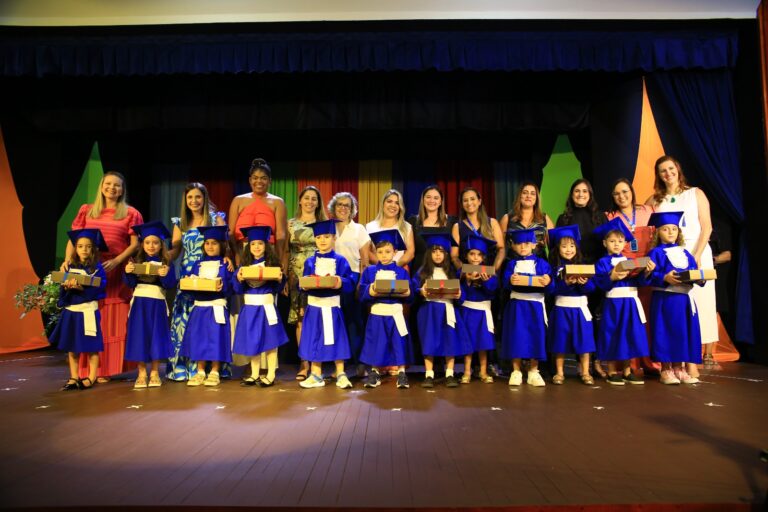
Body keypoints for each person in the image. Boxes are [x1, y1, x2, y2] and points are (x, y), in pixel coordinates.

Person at [65, 171, 144, 383]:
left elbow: (136, 244)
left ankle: (107, 370)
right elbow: (74, 239)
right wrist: (68, 263)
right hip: (89, 269)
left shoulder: (130, 213)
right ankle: (89, 369)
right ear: (101, 186)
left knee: (112, 321)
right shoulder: (87, 210)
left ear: (122, 190)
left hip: (115, 270)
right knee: (90, 317)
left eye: (117, 185)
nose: (112, 188)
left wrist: (118, 261)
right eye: (108, 184)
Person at [646, 156, 717, 377]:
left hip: (696, 254)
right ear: (658, 175)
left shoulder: (695, 193)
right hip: (668, 258)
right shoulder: (655, 200)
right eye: (662, 171)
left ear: (678, 169)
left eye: (670, 168)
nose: (667, 173)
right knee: (675, 308)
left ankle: (692, 360)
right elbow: (647, 230)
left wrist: (694, 257)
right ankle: (675, 363)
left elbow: (707, 227)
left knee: (699, 307)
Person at [168, 182, 227, 381]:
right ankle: (187, 367)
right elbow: (175, 250)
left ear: (205, 198)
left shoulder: (216, 218)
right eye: (190, 197)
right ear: (185, 200)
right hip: (189, 275)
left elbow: (225, 244)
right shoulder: (180, 223)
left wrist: (228, 259)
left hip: (211, 273)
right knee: (185, 322)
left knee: (209, 322)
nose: (194, 201)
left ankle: (212, 368)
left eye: (198, 197)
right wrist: (161, 257)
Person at [593, 218, 655, 386]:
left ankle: (627, 371)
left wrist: (646, 273)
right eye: (612, 241)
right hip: (613, 303)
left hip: (630, 302)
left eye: (620, 241)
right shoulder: (602, 262)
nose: (616, 244)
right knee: (613, 334)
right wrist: (611, 277)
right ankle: (612, 370)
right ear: (605, 243)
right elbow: (599, 283)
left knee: (630, 335)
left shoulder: (630, 260)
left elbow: (640, 282)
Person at [297, 219, 355, 389]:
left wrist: (340, 281)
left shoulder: (340, 260)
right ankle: (315, 374)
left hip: (332, 306)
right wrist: (304, 283)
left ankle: (341, 373)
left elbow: (350, 281)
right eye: (319, 237)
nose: (322, 240)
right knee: (314, 338)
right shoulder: (309, 262)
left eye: (327, 236)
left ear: (334, 238)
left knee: (336, 338)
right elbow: (302, 284)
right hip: (314, 307)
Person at [646, 211, 703, 385]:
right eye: (665, 229)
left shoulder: (686, 253)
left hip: (683, 300)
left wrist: (699, 278)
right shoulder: (655, 253)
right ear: (658, 232)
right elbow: (648, 275)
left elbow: (693, 271)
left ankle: (679, 368)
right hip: (665, 299)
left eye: (674, 229)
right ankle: (665, 369)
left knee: (681, 333)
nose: (671, 232)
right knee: (665, 332)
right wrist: (664, 277)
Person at [50, 229, 108, 391]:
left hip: (88, 311)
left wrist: (82, 288)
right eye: (80, 246)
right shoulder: (69, 267)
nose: (84, 249)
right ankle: (74, 376)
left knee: (92, 346)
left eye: (88, 246)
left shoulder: (97, 269)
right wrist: (67, 286)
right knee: (72, 345)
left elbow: (101, 288)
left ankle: (91, 376)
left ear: (93, 249)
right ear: (75, 248)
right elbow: (63, 292)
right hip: (72, 312)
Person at [413, 232, 472, 389]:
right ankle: (429, 374)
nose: (438, 255)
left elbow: (462, 292)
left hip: (447, 310)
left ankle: (450, 374)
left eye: (441, 251)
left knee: (449, 341)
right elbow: (414, 288)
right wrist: (421, 291)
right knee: (429, 341)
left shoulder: (452, 272)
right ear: (429, 253)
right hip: (429, 311)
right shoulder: (423, 272)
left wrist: (459, 294)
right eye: (434, 251)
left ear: (446, 254)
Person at [232, 226, 289, 387]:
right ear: (248, 247)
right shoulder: (243, 267)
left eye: (260, 244)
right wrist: (238, 278)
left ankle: (270, 373)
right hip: (250, 308)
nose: (256, 247)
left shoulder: (272, 265)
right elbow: (237, 289)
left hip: (267, 308)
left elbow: (278, 289)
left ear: (266, 246)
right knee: (252, 341)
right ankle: (255, 373)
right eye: (253, 244)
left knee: (271, 341)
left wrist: (279, 280)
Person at [124, 221, 177, 389]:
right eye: (147, 242)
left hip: (157, 304)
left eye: (155, 242)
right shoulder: (136, 261)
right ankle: (141, 372)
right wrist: (128, 272)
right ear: (142, 244)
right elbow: (130, 283)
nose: (151, 246)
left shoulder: (166, 263)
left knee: (156, 336)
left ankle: (154, 371)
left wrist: (165, 275)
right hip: (140, 303)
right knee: (140, 335)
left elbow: (170, 285)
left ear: (161, 245)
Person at [358, 229, 414, 389]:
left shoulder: (402, 272)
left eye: (387, 251)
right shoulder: (370, 271)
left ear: (395, 252)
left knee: (399, 342)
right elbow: (362, 293)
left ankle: (402, 373)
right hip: (377, 313)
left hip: (396, 313)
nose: (383, 255)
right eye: (380, 251)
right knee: (377, 342)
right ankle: (375, 373)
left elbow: (410, 296)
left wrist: (407, 292)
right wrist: (371, 290)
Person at [179, 225, 234, 387]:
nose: (210, 246)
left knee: (216, 338)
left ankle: (215, 370)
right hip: (200, 307)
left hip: (216, 306)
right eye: (207, 243)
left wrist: (222, 287)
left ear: (221, 245)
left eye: (214, 243)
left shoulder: (225, 265)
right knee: (199, 338)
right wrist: (190, 282)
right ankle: (200, 370)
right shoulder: (198, 264)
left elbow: (232, 288)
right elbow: (190, 285)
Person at [501, 228, 552, 387]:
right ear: (513, 246)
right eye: (518, 244)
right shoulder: (511, 264)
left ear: (534, 245)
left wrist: (547, 281)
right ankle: (516, 370)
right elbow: (504, 283)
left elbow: (550, 284)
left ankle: (533, 371)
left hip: (535, 305)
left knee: (535, 336)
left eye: (526, 243)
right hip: (517, 305)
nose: (523, 247)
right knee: (517, 335)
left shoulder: (542, 264)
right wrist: (511, 280)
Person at [546, 225, 596, 385]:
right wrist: (565, 283)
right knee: (559, 341)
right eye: (564, 246)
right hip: (561, 308)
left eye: (572, 245)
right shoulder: (553, 268)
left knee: (584, 341)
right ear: (557, 248)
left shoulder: (584, 265)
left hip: (580, 309)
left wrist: (583, 283)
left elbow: (592, 288)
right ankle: (560, 372)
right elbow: (551, 290)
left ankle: (585, 372)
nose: (569, 249)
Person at [328, 192, 370, 377]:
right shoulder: (328, 228)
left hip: (353, 278)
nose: (343, 208)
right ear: (333, 208)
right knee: (337, 322)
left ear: (352, 209)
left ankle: (360, 363)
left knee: (355, 323)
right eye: (340, 205)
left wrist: (361, 283)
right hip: (332, 279)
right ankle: (340, 366)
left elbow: (365, 261)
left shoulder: (359, 229)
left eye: (347, 205)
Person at [287, 185, 327, 380]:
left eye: (314, 199)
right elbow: (285, 250)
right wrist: (286, 276)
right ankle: (304, 363)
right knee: (300, 319)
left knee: (317, 317)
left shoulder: (324, 223)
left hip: (319, 273)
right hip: (296, 275)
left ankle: (317, 361)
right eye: (307, 198)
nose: (310, 201)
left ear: (318, 203)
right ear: (300, 201)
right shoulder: (290, 224)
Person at [229, 158, 288, 269]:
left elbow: (281, 235)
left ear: (270, 181)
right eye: (255, 178)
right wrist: (236, 255)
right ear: (250, 180)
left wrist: (278, 260)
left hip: (268, 255)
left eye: (263, 178)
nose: (259, 182)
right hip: (242, 254)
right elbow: (230, 232)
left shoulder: (277, 202)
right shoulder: (238, 200)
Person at [458, 234, 498, 384]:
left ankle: (483, 371)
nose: (475, 258)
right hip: (467, 311)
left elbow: (493, 292)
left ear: (484, 257)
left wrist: (485, 282)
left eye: (479, 255)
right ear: (466, 256)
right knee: (468, 343)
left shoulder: (489, 273)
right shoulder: (461, 273)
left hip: (483, 312)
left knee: (483, 344)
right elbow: (459, 294)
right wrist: (467, 280)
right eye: (472, 254)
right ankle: (467, 371)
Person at [451, 187, 504, 271]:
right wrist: (466, 272)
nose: (469, 203)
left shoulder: (492, 223)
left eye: (472, 199)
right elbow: (454, 256)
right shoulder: (457, 227)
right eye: (465, 200)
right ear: (461, 204)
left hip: (489, 274)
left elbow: (501, 249)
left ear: (479, 201)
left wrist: (493, 271)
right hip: (467, 277)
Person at [556, 179, 607, 263]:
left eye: (585, 191)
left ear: (590, 194)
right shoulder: (563, 219)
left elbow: (608, 242)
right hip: (573, 266)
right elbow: (558, 247)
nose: (581, 194)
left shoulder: (601, 216)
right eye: (577, 191)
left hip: (599, 265)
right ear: (572, 195)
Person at [499, 182, 554, 260]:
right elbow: (500, 249)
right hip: (513, 267)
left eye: (532, 193)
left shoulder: (544, 218)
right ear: (520, 196)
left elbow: (553, 247)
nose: (529, 196)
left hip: (539, 268)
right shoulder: (507, 218)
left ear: (536, 198)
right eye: (525, 193)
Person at [366, 189, 415, 268]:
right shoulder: (370, 226)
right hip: (377, 271)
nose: (393, 205)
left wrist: (395, 267)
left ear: (400, 207)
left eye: (397, 203)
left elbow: (410, 252)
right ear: (383, 204)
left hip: (399, 271)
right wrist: (382, 266)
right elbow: (367, 251)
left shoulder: (406, 227)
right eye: (389, 201)